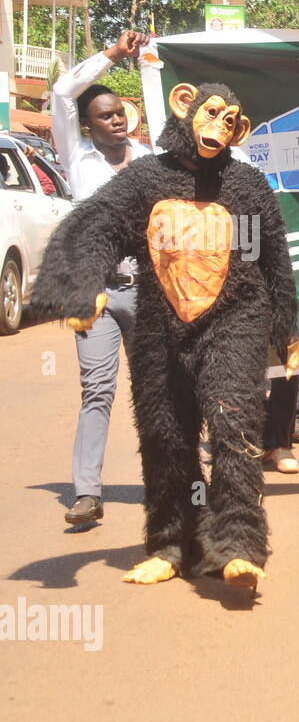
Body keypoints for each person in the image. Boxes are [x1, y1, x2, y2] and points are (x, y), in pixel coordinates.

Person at [50, 30, 152, 525]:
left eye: (120, 114)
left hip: (149, 292)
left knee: (157, 388)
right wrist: (113, 55)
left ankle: (176, 479)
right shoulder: (78, 159)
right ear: (86, 127)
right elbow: (62, 92)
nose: (116, 121)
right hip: (94, 294)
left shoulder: (151, 162)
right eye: (105, 116)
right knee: (97, 390)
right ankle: (87, 491)